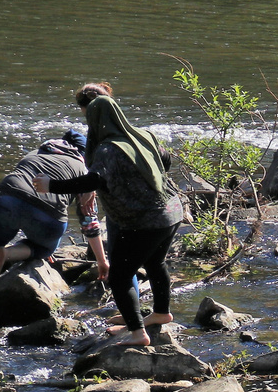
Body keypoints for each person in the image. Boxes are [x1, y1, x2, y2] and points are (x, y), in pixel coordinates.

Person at [36, 92, 183, 347]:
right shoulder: (142, 136)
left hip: (146, 221)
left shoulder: (108, 149)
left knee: (120, 276)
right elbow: (166, 160)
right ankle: (161, 312)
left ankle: (138, 333)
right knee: (155, 262)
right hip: (172, 210)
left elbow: (93, 180)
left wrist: (51, 184)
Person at [0, 130, 107, 307]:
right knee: (45, 248)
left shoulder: (36, 153)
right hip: (47, 216)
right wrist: (102, 261)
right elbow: (89, 221)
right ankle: (9, 253)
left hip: (6, 198)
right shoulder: (84, 172)